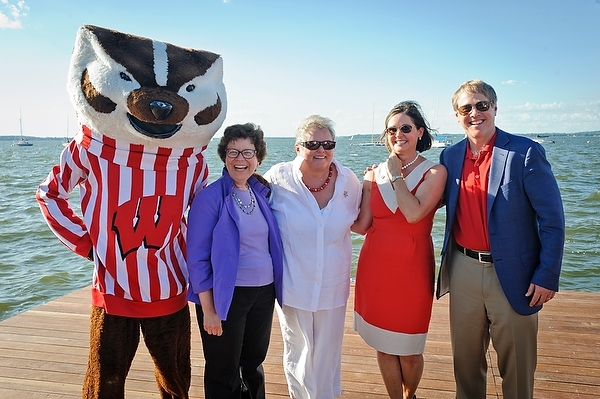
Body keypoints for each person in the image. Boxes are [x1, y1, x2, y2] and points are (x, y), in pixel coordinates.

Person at [436, 79, 565, 399]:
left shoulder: (525, 152)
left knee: (518, 370)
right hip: (463, 269)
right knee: (465, 365)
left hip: (516, 275)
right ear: (457, 115)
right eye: (466, 108)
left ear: (494, 108)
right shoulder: (449, 157)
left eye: (481, 105)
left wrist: (547, 274)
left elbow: (552, 220)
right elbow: (423, 201)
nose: (474, 113)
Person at [352, 101, 447, 399]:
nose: (398, 134)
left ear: (419, 132)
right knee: (383, 345)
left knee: (409, 349)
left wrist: (394, 174)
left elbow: (413, 214)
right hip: (375, 265)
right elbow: (363, 224)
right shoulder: (373, 173)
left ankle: (410, 396)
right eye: (391, 129)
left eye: (405, 128)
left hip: (412, 266)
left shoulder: (435, 172)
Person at [263, 115, 362, 399]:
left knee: (328, 355)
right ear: (297, 147)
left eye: (328, 143)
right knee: (299, 353)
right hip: (294, 284)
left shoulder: (349, 181)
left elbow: (361, 221)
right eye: (312, 143)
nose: (321, 150)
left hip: (333, 284)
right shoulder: (277, 178)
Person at [186, 123, 284, 399]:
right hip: (226, 296)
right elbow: (197, 259)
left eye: (247, 152)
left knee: (253, 364)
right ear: (224, 156)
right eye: (233, 152)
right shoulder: (209, 198)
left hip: (264, 294)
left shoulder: (261, 194)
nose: (240, 159)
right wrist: (209, 310)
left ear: (258, 157)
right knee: (223, 370)